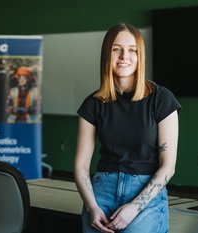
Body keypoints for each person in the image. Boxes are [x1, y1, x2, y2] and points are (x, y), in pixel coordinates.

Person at [74, 23, 181, 233]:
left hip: (144, 192)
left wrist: (134, 208)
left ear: (140, 56)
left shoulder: (162, 99)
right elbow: (80, 167)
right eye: (117, 49)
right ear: (107, 54)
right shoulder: (93, 104)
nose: (124, 56)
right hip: (101, 190)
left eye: (132, 50)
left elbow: (168, 167)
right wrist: (92, 206)